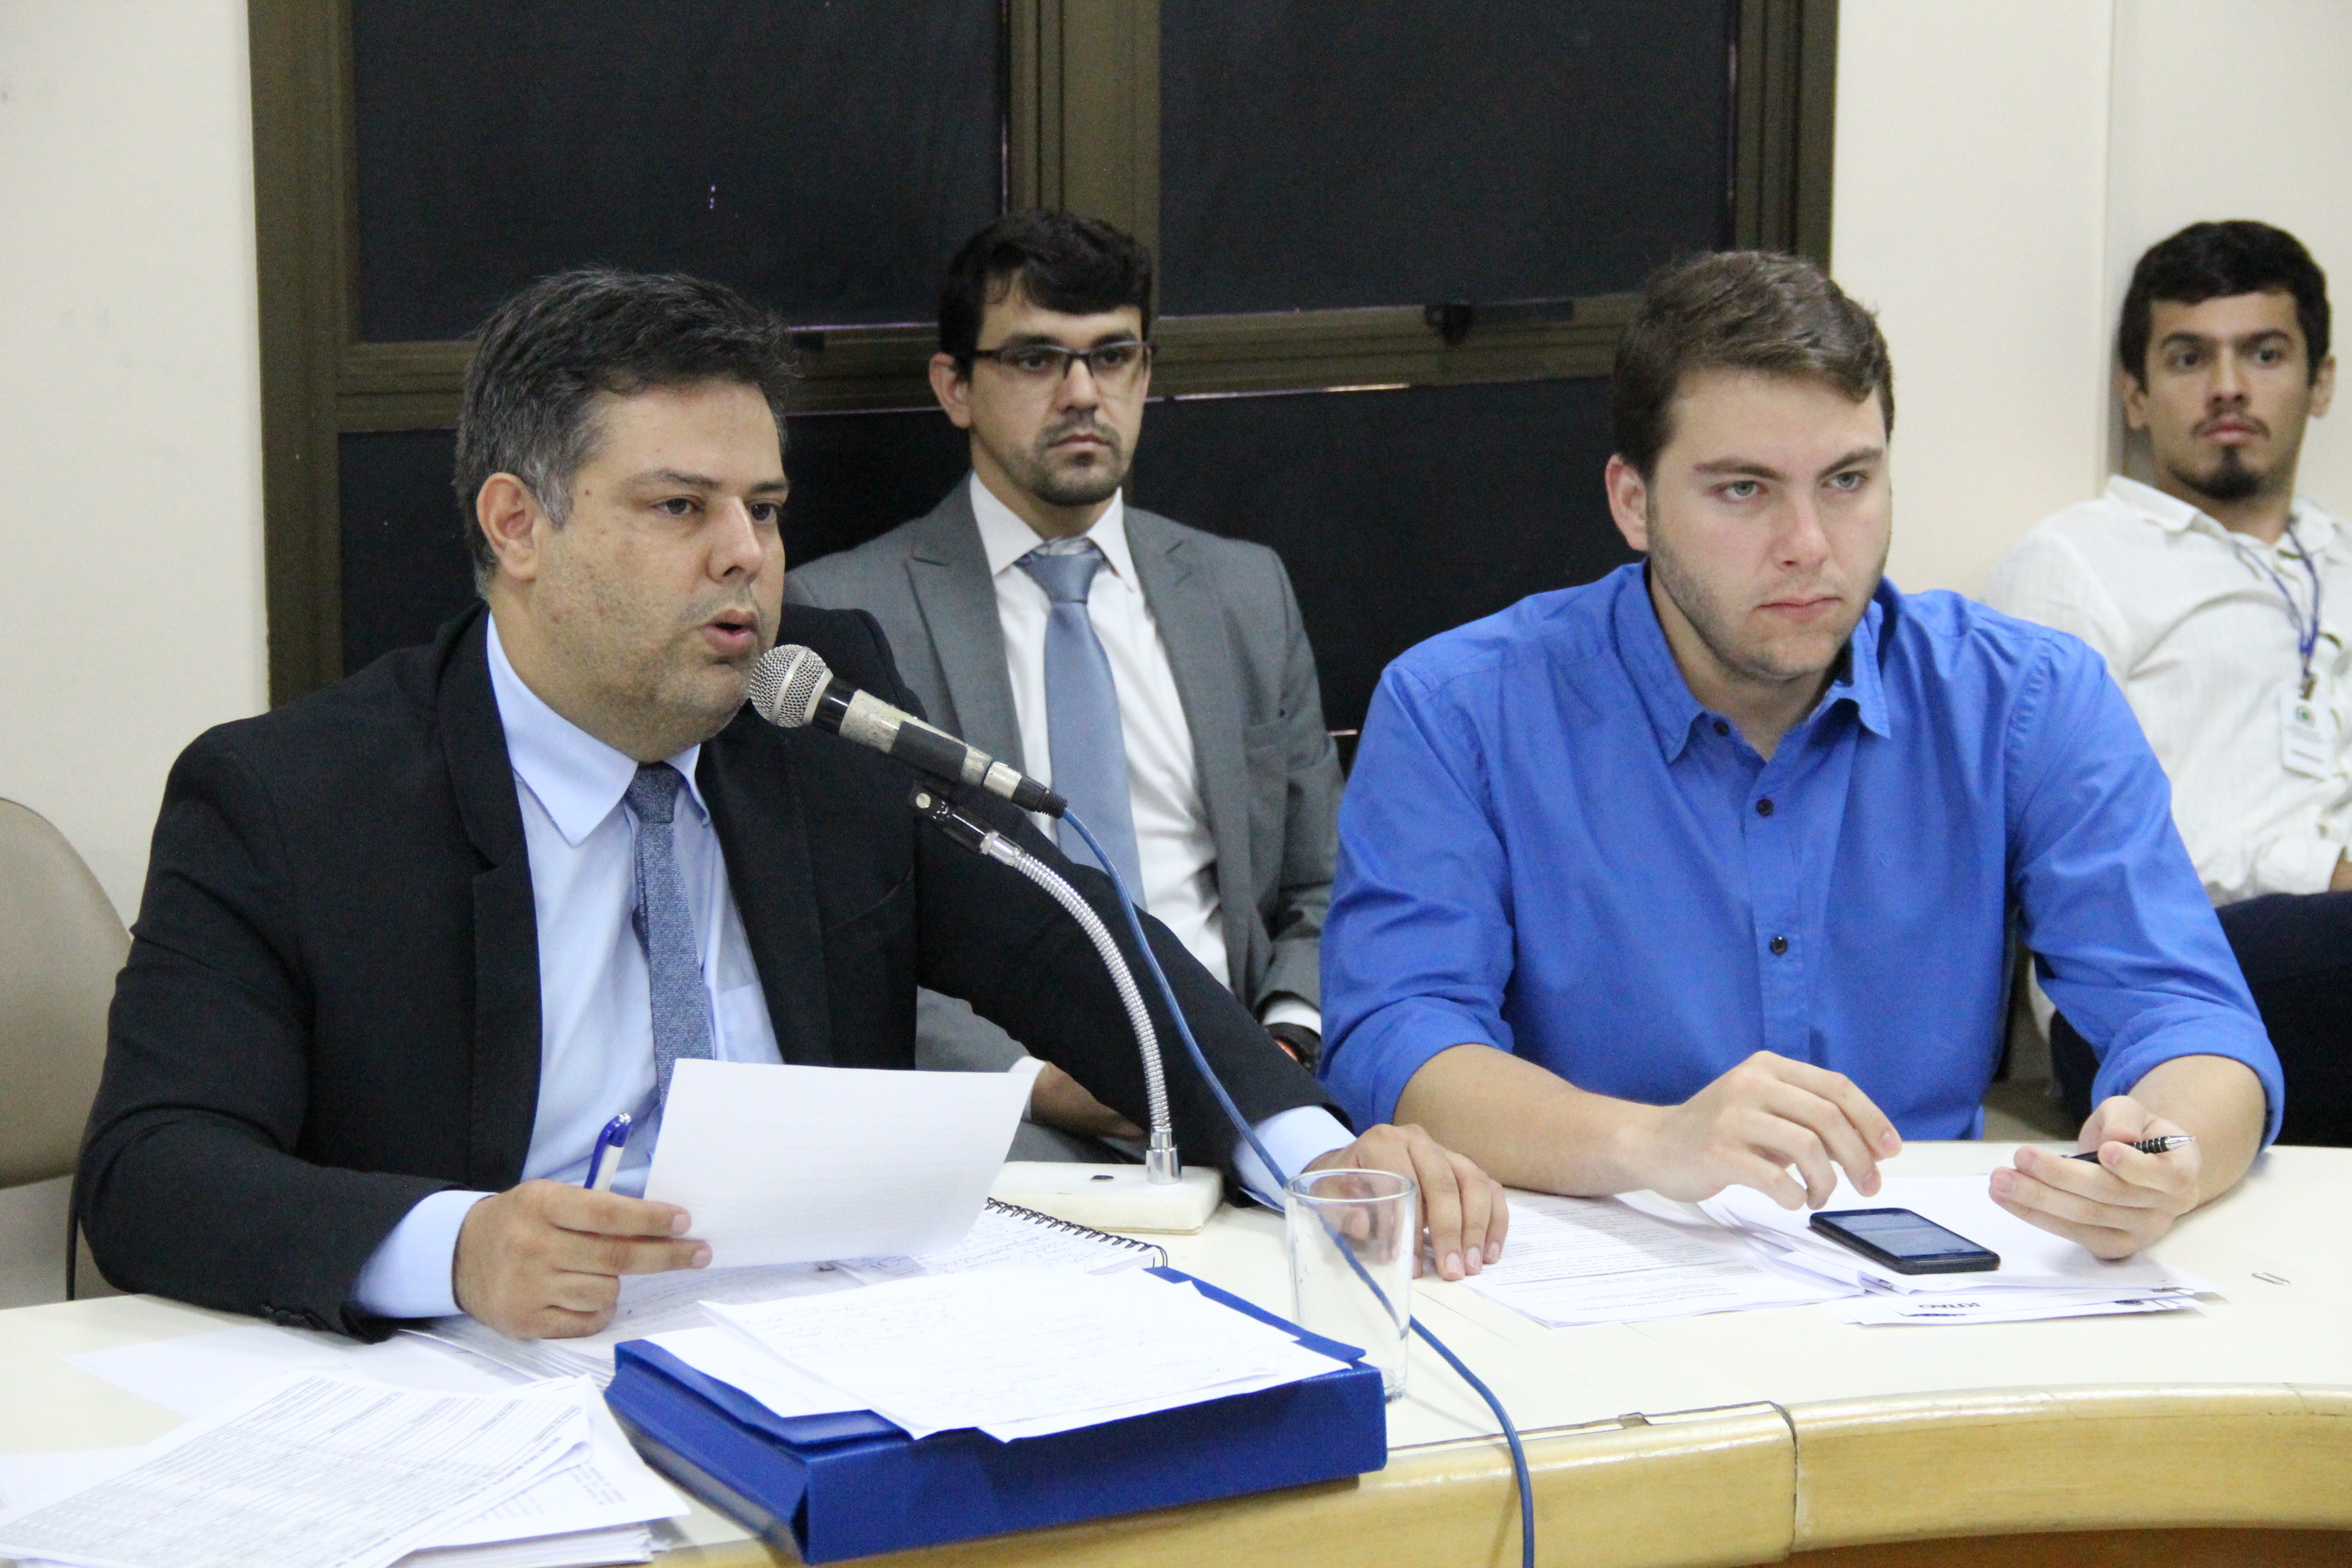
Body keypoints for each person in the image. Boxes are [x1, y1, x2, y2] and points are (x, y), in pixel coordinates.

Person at [77, 269, 1504, 1345]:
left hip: (824, 1351)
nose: (746, 558)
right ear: (518, 526)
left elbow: (1078, 951)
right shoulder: (288, 799)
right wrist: (458, 1250)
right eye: (679, 509)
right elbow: (152, 1172)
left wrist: (1317, 1156)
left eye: (761, 509)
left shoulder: (819, 713)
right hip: (485, 1384)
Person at [1319, 250, 2283, 1260]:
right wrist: (1651, 1142)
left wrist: (2162, 1156)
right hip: (1595, 1264)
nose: (1810, 544)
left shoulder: (2025, 699)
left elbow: (2190, 1019)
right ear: (1634, 502)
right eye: (1744, 490)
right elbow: (1400, 1037)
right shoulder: (1460, 708)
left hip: (1928, 1280)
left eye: (1848, 481)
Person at [789, 211, 1340, 1159]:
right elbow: (839, 933)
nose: (1084, 393)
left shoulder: (1245, 592)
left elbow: (1321, 883)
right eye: (1037, 359)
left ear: (1146, 373)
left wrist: (1282, 1041)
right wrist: (1035, 1083)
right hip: (1010, 1127)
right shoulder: (842, 614)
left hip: (1250, 1087)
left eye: (1112, 356)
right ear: (954, 386)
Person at [1984, 220, 2347, 1145]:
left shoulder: (2342, 563)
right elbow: (2050, 829)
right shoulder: (2076, 559)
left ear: (2321, 382)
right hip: (2148, 986)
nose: (2228, 386)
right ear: (2136, 395)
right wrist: (2319, 870)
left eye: (2264, 353)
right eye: (2189, 357)